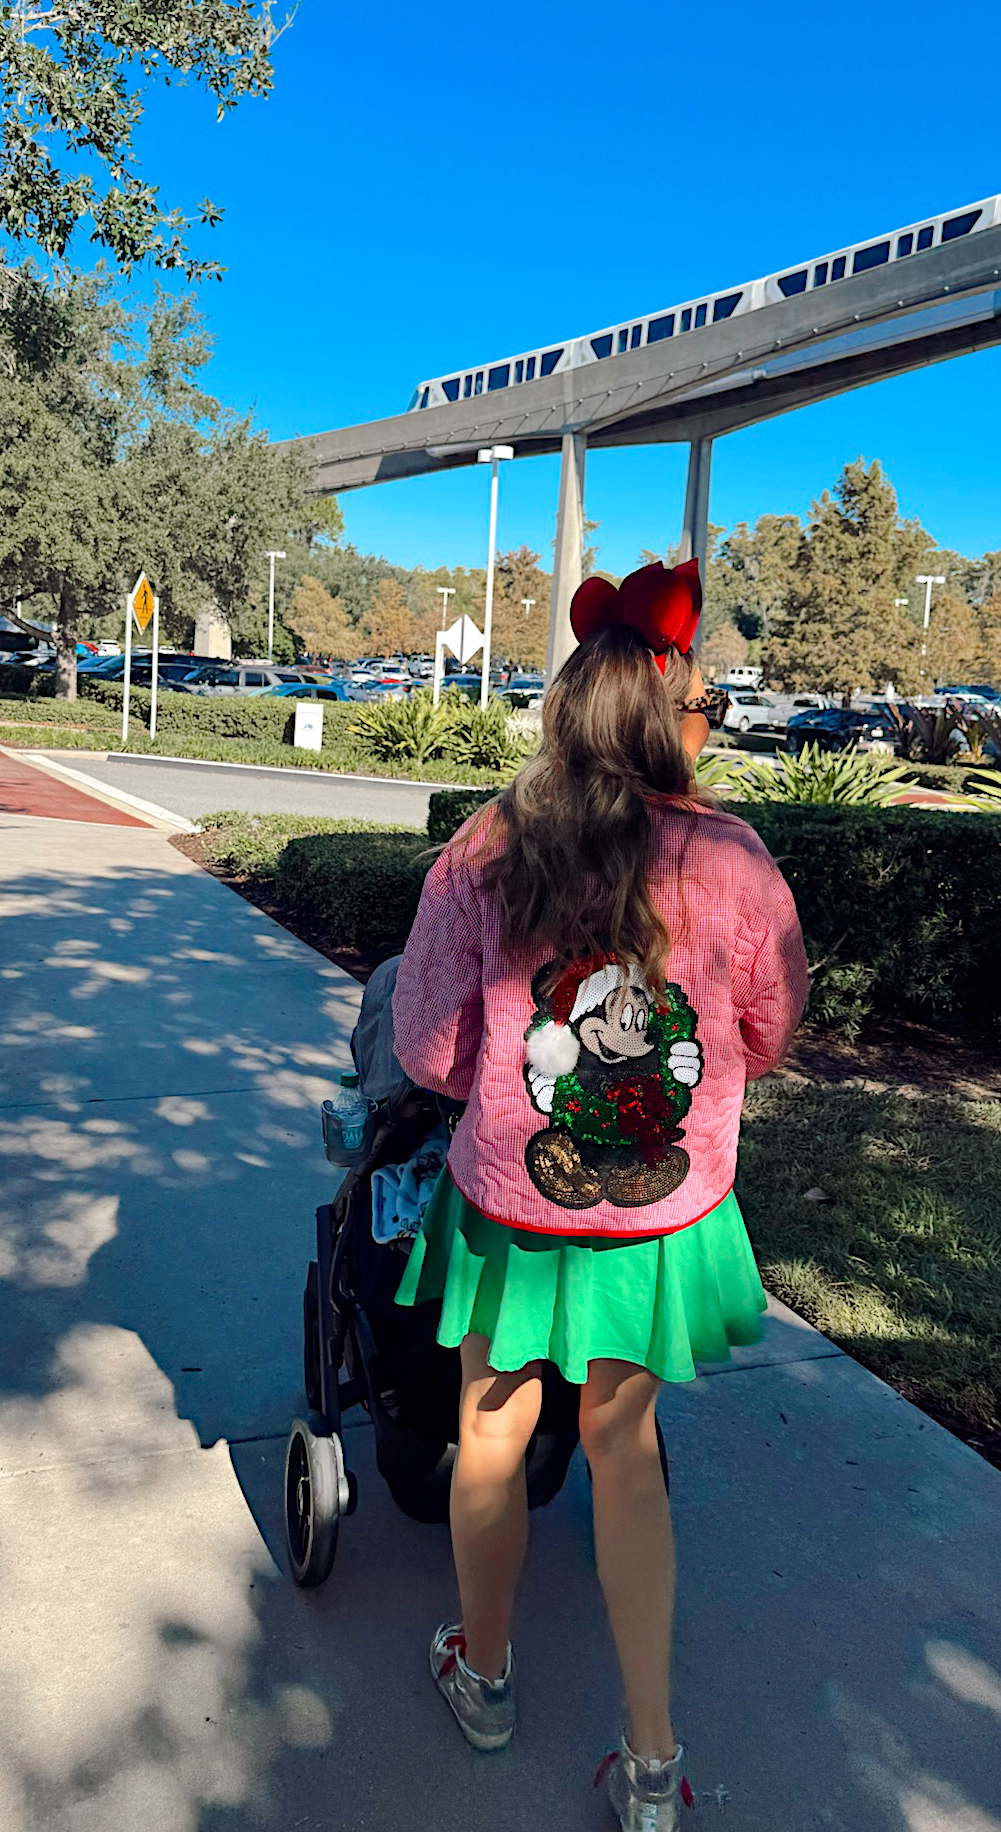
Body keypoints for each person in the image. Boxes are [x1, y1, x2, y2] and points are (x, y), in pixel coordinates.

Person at [392, 556, 809, 1829]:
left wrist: (505, 1084)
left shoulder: (485, 846)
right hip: (655, 1214)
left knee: (490, 1426)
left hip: (508, 1207)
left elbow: (427, 1045)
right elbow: (769, 1025)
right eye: (703, 703)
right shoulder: (734, 859)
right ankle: (653, 1763)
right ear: (672, 711)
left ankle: (484, 1674)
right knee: (625, 1454)